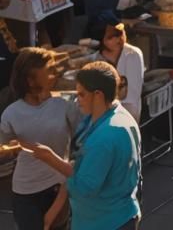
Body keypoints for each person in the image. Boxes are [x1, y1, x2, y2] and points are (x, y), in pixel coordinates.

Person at [18, 61, 141, 230]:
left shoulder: (105, 136)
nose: (77, 100)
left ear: (97, 94)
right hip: (120, 215)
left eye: (82, 94)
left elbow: (84, 188)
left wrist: (51, 160)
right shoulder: (122, 117)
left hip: (105, 223)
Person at [2, 48, 81, 230]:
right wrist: (10, 148)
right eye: (49, 71)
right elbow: (3, 147)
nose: (55, 75)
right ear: (30, 80)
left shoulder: (65, 104)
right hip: (25, 191)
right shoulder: (11, 113)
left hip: (58, 188)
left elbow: (82, 142)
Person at [97, 23, 144, 123]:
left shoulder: (132, 55)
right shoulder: (97, 58)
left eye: (120, 34)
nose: (119, 39)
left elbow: (132, 96)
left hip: (126, 115)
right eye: (111, 37)